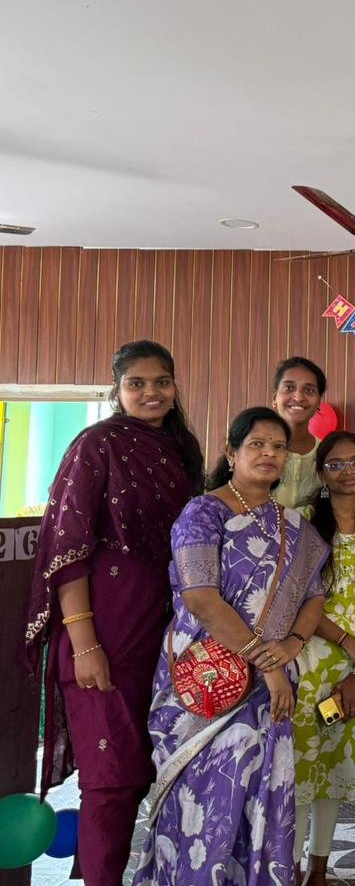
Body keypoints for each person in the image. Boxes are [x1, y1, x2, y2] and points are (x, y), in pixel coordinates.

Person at [22, 340, 204, 886]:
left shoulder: (180, 449)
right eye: (136, 383)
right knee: (110, 777)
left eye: (161, 381)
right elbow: (67, 552)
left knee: (141, 770)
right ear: (116, 390)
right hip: (103, 629)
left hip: (160, 630)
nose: (151, 393)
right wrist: (85, 645)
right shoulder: (95, 445)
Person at [132, 407, 329, 885]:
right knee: (203, 800)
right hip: (204, 679)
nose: (269, 453)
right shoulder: (204, 513)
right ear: (231, 452)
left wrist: (294, 643)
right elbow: (201, 599)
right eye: (257, 444)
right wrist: (268, 663)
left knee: (258, 794)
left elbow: (315, 595)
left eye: (278, 447)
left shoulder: (295, 528)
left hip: (269, 689)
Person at [293, 432, 355, 886]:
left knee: (335, 771)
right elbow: (294, 599)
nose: (348, 471)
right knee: (300, 772)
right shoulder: (301, 523)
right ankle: (289, 868)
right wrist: (345, 642)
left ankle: (318, 868)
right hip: (305, 662)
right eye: (336, 464)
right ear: (321, 473)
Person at [271, 355, 327, 507]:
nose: (298, 397)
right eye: (289, 388)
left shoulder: (327, 454)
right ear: (275, 398)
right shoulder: (255, 450)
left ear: (318, 401)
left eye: (309, 390)